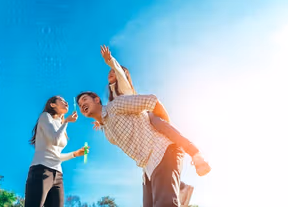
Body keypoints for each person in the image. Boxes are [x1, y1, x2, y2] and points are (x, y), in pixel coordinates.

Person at [76, 91, 208, 207]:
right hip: (147, 169)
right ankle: (180, 189)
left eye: (84, 99)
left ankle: (188, 169)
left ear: (97, 99)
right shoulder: (107, 133)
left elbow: (152, 102)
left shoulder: (116, 105)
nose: (82, 105)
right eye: (80, 105)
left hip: (162, 150)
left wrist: (166, 131)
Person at [97, 45, 210, 177]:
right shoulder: (112, 99)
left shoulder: (123, 86)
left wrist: (110, 60)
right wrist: (100, 123)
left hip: (148, 117)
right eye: (109, 72)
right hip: (141, 129)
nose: (111, 73)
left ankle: (195, 154)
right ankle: (181, 185)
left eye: (113, 71)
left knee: (165, 129)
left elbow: (120, 72)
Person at [25, 96, 89, 207]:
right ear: (53, 105)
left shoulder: (60, 125)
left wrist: (75, 154)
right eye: (62, 101)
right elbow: (54, 140)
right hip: (41, 170)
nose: (66, 103)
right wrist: (66, 122)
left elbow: (56, 156)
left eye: (66, 101)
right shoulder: (45, 117)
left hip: (58, 175)